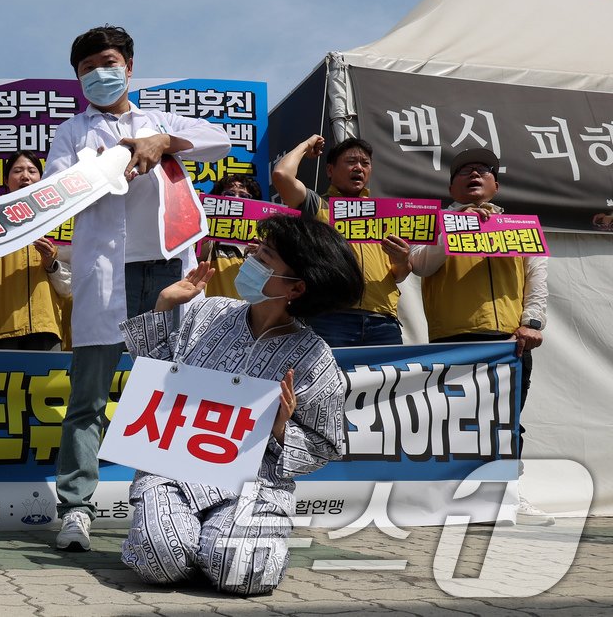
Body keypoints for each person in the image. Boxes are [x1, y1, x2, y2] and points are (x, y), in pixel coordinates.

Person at [47, 25, 231, 551]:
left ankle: (170, 503)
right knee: (88, 399)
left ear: (128, 66)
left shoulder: (160, 119)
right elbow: (61, 189)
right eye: (87, 69)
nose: (98, 74)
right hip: (106, 272)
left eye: (107, 62)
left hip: (168, 268)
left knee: (173, 391)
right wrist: (107, 165)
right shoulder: (71, 132)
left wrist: (162, 142)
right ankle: (76, 508)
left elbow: (219, 141)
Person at [118, 214, 361, 595]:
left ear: (295, 289)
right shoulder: (206, 312)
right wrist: (164, 307)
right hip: (173, 469)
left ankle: (216, 548)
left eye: (265, 259)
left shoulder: (314, 358)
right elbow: (153, 381)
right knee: (159, 558)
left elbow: (326, 445)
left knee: (242, 572)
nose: (250, 259)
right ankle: (188, 546)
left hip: (254, 482)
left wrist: (282, 426)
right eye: (257, 250)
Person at [408, 148, 548, 518]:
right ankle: (450, 500)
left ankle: (509, 496)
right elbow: (420, 265)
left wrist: (531, 322)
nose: (474, 174)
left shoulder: (520, 227)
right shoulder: (433, 222)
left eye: (482, 170)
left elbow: (537, 277)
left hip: (509, 340)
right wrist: (456, 227)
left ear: (496, 184)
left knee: (506, 421)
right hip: (454, 339)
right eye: (464, 171)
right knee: (454, 420)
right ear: (451, 185)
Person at [271, 135, 411, 347]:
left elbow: (399, 274)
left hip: (383, 321)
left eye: (365, 163)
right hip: (331, 318)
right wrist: (305, 145)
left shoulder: (384, 216)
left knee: (388, 381)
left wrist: (402, 260)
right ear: (329, 170)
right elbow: (282, 175)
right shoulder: (317, 206)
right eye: (350, 161)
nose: (359, 168)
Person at [0, 151, 70, 351]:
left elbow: (68, 285)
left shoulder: (56, 219)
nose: (25, 176)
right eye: (17, 171)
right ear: (6, 180)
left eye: (32, 171)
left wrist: (50, 263)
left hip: (45, 328)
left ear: (41, 178)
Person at [200, 174, 262, 301]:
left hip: (254, 314)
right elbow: (197, 259)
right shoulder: (207, 234)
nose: (237, 199)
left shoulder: (263, 240)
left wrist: (264, 254)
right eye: (230, 194)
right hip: (215, 314)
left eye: (244, 196)